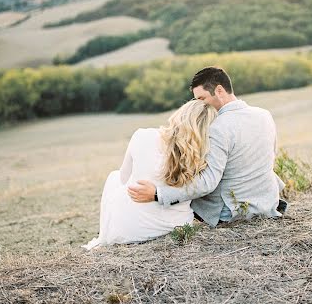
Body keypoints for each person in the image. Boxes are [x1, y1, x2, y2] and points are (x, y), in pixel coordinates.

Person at [129, 66, 286, 227]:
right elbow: (270, 158)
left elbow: (207, 183)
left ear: (219, 91)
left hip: (233, 212)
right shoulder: (264, 114)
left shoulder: (217, 127)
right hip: (267, 204)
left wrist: (158, 194)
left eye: (201, 99)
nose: (199, 105)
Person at [82, 99, 217, 249]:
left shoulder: (142, 135)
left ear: (179, 115)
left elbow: (123, 178)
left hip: (131, 229)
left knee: (114, 177)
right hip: (176, 224)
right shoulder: (201, 155)